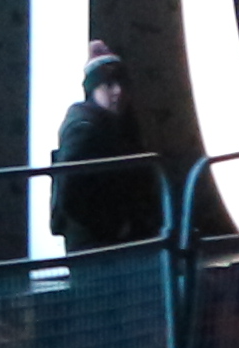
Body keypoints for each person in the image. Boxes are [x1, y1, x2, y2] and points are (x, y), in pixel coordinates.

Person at [49, 43, 159, 251]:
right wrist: (112, 227)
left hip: (117, 237)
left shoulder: (123, 124)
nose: (119, 91)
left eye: (123, 84)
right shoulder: (83, 128)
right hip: (94, 241)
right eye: (108, 84)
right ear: (93, 90)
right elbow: (70, 194)